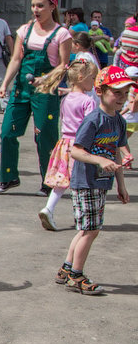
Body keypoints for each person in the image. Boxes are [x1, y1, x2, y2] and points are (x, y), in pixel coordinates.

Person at [57, 66, 133, 295]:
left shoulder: (118, 120)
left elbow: (116, 151)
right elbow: (76, 151)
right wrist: (100, 161)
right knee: (90, 230)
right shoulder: (94, 120)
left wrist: (121, 183)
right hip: (85, 182)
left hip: (102, 183)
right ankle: (76, 275)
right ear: (100, 91)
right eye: (116, 92)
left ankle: (67, 269)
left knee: (87, 229)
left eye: (126, 93)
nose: (122, 97)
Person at [0, 0, 72, 194]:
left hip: (46, 91)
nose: (35, 10)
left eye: (40, 6)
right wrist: (4, 84)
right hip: (22, 89)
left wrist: (45, 79)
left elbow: (64, 65)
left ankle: (49, 183)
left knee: (45, 136)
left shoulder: (61, 34)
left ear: (52, 7)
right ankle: (9, 177)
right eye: (33, 5)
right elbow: (16, 59)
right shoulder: (24, 30)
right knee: (7, 132)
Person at [36, 60, 100, 230]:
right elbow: (90, 126)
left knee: (61, 180)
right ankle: (83, 215)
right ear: (81, 77)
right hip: (80, 145)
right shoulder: (88, 101)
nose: (94, 82)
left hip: (64, 143)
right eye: (92, 78)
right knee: (82, 182)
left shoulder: (66, 99)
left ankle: (49, 208)